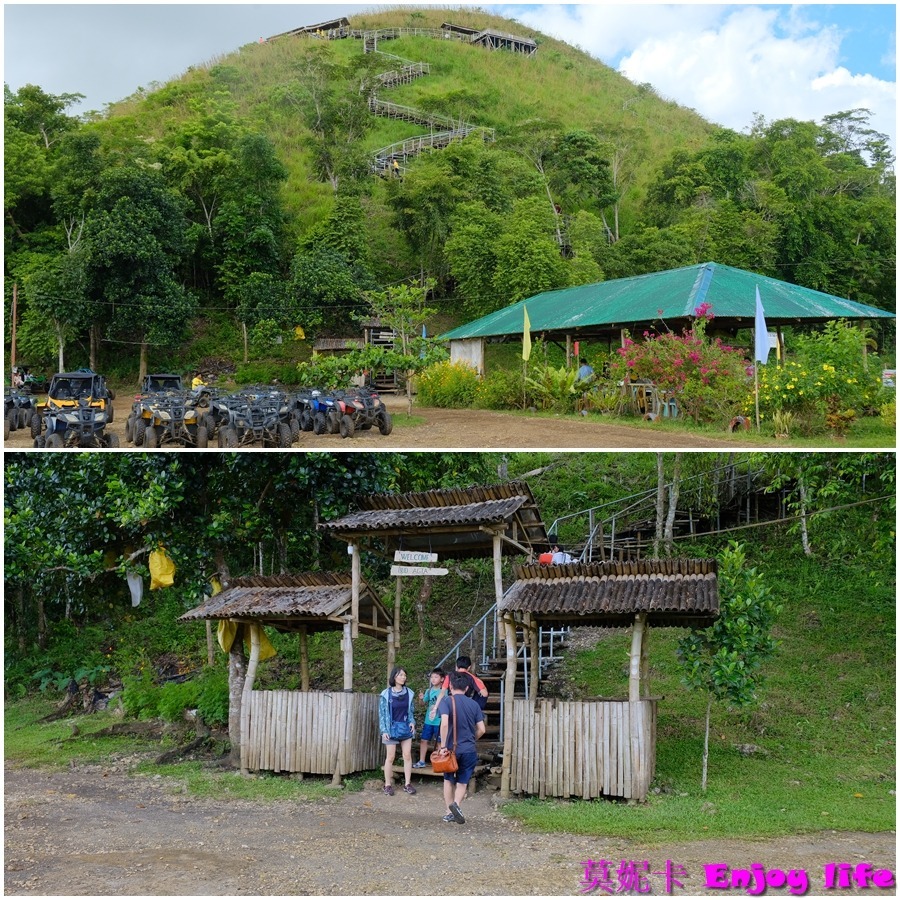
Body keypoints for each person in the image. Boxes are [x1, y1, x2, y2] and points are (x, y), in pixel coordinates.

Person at [437, 671, 485, 824]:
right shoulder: (474, 704)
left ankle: (448, 812)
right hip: (469, 749)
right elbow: (482, 729)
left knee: (448, 780)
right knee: (462, 782)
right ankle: (456, 805)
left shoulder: (446, 701)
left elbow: (444, 723)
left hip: (451, 750)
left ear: (450, 686)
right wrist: (472, 739)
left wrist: (443, 745)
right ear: (467, 688)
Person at [378, 665, 416, 796]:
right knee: (390, 757)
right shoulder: (385, 694)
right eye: (400, 675)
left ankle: (407, 784)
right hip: (390, 729)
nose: (403, 677)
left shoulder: (409, 693)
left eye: (405, 675)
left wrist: (412, 722)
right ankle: (387, 785)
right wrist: (384, 730)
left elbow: (411, 711)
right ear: (394, 677)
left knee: (407, 755)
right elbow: (382, 714)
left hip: (405, 728)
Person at [428, 655, 488, 720]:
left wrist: (435, 708)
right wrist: (482, 684)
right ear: (469, 667)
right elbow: (484, 694)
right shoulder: (472, 678)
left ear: (456, 666)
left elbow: (442, 692)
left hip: (451, 705)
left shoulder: (449, 676)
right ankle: (476, 712)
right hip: (466, 706)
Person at [414, 668, 444, 768]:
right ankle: (422, 761)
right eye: (432, 677)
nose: (433, 679)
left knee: (440, 742)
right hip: (428, 721)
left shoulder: (444, 691)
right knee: (424, 740)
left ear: (442, 679)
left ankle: (441, 762)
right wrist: (421, 698)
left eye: (436, 677)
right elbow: (422, 704)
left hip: (439, 721)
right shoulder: (429, 690)